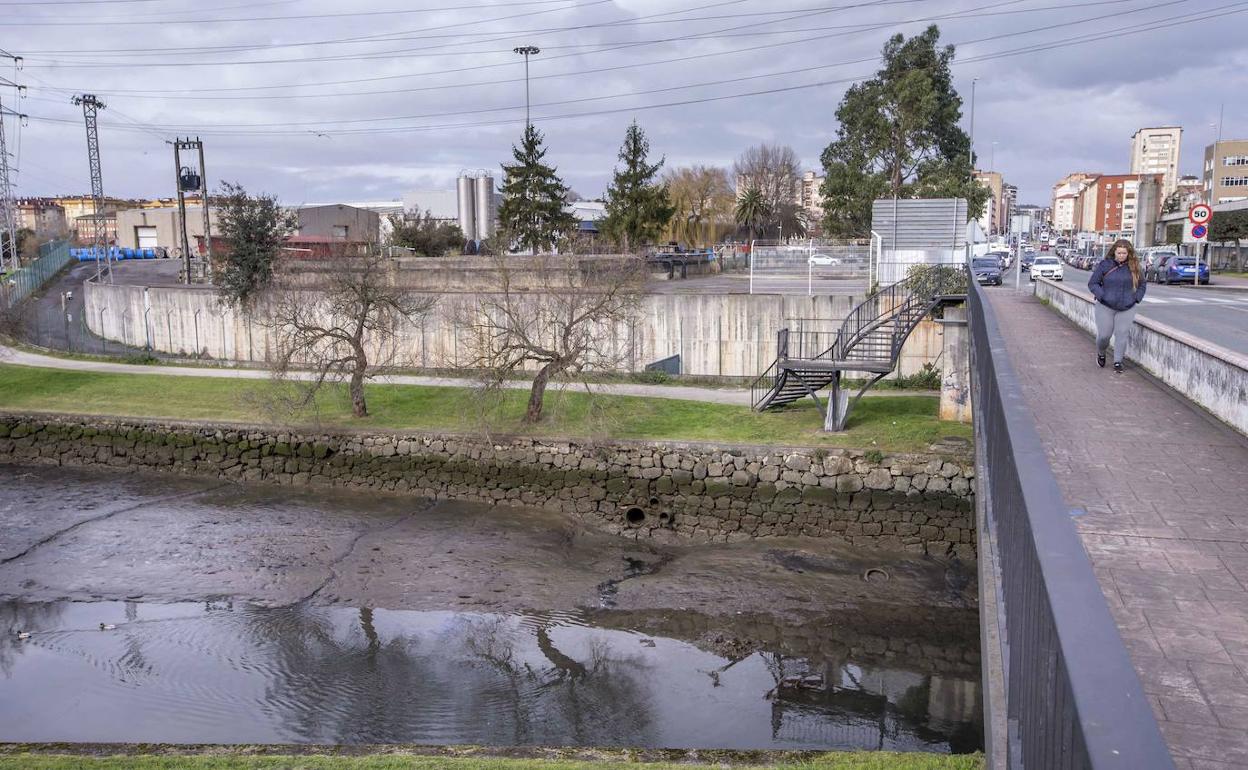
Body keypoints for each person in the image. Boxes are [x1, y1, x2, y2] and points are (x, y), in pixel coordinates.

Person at [1087, 239, 1146, 373]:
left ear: (1128, 253)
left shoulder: (1135, 267)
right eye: (1119, 253)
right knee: (1104, 336)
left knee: (1122, 334)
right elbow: (1093, 283)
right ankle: (1101, 352)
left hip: (1127, 307)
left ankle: (1118, 362)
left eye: (1124, 253)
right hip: (1105, 306)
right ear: (1114, 252)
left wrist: (1136, 298)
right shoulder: (1105, 265)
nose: (1121, 256)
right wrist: (1102, 295)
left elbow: (1142, 284)